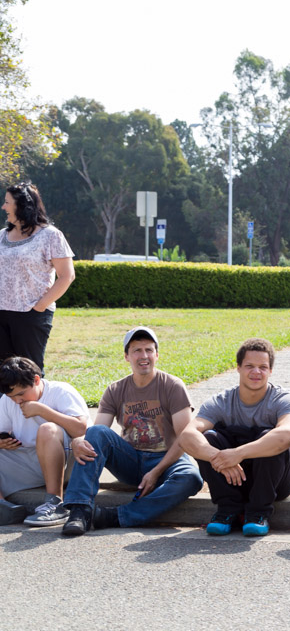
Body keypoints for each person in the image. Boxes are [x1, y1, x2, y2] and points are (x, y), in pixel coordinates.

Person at [61, 327, 203, 536]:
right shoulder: (115, 389)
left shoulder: (173, 386)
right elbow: (98, 431)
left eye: (148, 350)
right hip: (130, 459)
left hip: (167, 459)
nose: (143, 356)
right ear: (127, 356)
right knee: (96, 434)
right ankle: (79, 510)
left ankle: (114, 516)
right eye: (137, 350)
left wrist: (155, 472)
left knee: (191, 477)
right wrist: (78, 440)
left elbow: (185, 439)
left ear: (157, 355)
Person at [175, 338, 290, 537]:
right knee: (208, 437)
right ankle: (227, 510)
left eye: (263, 367)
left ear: (270, 371)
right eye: (249, 366)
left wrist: (237, 454)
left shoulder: (283, 398)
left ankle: (258, 513)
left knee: (272, 437)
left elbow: (287, 435)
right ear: (238, 368)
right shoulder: (220, 401)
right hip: (232, 478)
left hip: (276, 481)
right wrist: (219, 457)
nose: (256, 372)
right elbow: (187, 436)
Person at [0, 356, 87, 526]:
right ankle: (4, 508)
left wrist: (42, 411)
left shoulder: (61, 391)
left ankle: (55, 504)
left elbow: (81, 429)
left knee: (47, 430)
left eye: (21, 394)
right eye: (12, 397)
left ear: (37, 380)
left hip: (68, 461)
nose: (18, 401)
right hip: (28, 461)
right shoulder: (8, 401)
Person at [0, 181, 75, 374]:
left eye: (7, 202)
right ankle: (6, 406)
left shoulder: (50, 236)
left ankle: (33, 405)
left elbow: (67, 276)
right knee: (3, 373)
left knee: (28, 373)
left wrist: (40, 305)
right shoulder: (2, 236)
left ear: (22, 205)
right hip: (2, 313)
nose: (3, 207)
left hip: (31, 314)